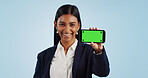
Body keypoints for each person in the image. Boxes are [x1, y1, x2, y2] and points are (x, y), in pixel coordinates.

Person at [33, 4, 110, 78]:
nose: (67, 30)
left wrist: (99, 51)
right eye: (62, 24)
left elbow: (103, 73)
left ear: (78, 26)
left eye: (72, 24)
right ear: (56, 25)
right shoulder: (43, 56)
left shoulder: (88, 52)